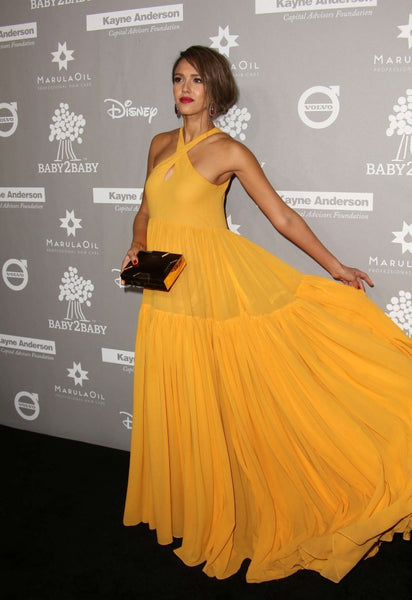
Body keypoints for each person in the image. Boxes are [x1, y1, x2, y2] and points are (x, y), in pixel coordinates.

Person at [122, 46, 412, 584]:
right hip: (164, 286)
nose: (185, 88)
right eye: (179, 78)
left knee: (223, 391)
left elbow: (282, 217)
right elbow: (144, 211)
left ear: (215, 89)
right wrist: (137, 245)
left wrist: (336, 267)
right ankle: (192, 504)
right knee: (179, 388)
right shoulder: (159, 143)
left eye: (197, 80)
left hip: (213, 287)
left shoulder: (229, 150)